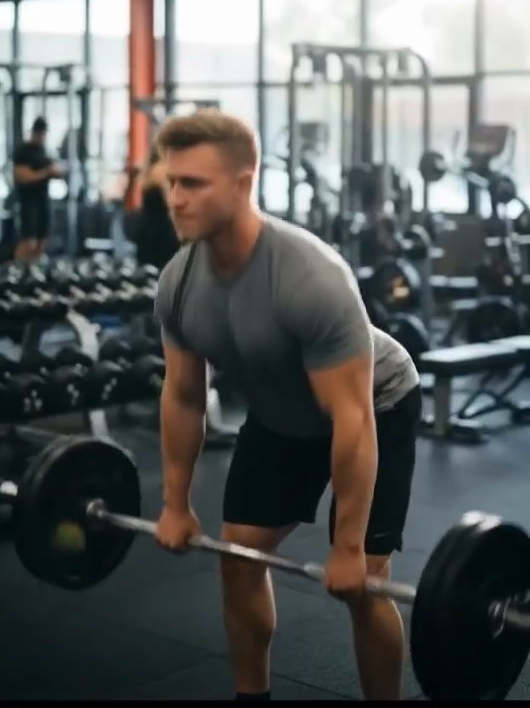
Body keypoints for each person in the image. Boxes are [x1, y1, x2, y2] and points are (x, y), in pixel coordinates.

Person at [153, 109, 422, 702]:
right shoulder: (178, 282)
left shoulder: (309, 276)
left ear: (243, 184)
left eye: (193, 183)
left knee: (366, 587)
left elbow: (351, 417)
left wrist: (348, 548)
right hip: (281, 413)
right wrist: (175, 503)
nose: (175, 198)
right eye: (171, 182)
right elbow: (183, 394)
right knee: (239, 558)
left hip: (375, 400)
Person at [12, 117, 62, 261]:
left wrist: (56, 172)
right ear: (33, 132)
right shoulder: (23, 151)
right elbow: (22, 176)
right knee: (29, 242)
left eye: (44, 133)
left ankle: (33, 274)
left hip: (43, 201)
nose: (42, 136)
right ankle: (15, 272)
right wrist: (45, 173)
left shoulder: (44, 152)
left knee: (41, 242)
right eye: (39, 133)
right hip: (28, 201)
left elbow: (56, 172)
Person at [135, 140, 180, 272]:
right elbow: (170, 201)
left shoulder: (150, 170)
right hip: (161, 232)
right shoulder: (161, 170)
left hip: (148, 228)